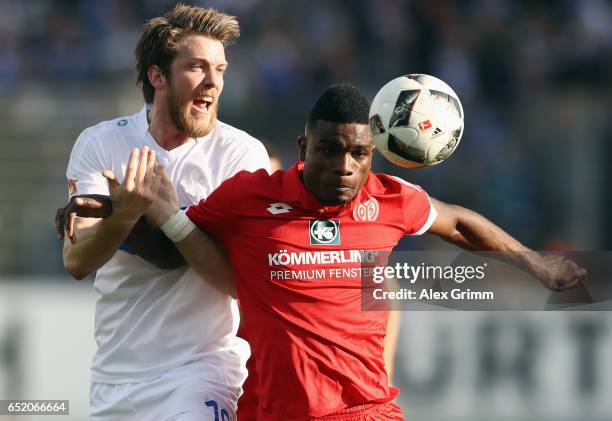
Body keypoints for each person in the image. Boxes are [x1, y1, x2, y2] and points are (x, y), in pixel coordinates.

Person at [70, 84, 585, 419]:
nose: (344, 166)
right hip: (267, 410)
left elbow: (460, 223)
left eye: (358, 153)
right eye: (329, 150)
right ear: (302, 147)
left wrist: (536, 263)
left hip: (362, 411)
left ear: (372, 155)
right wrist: (110, 212)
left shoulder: (389, 200)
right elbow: (175, 250)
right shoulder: (250, 196)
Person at [61, 4, 270, 420]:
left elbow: (239, 282)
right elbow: (77, 260)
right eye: (197, 67)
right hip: (115, 377)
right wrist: (124, 216)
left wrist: (171, 220)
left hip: (203, 369)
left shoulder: (241, 155)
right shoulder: (101, 144)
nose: (213, 82)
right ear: (157, 75)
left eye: (221, 69)